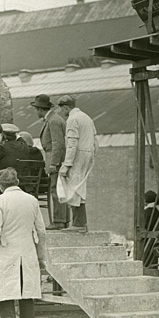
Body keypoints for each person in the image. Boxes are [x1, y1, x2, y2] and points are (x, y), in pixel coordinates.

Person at [0, 167, 46, 318]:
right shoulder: (32, 200)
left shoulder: (0, 201)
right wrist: (41, 254)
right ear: (17, 182)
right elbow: (41, 231)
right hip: (27, 251)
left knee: (5, 292)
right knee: (26, 293)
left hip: (6, 252)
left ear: (0, 185)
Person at [0, 123, 43, 216]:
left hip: (7, 183)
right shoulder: (24, 147)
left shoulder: (2, 148)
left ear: (3, 136)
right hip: (24, 184)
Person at [57, 95, 98, 232]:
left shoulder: (72, 119)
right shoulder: (86, 117)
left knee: (73, 187)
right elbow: (95, 139)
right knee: (80, 187)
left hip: (78, 154)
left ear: (66, 107)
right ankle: (81, 222)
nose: (63, 112)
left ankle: (78, 224)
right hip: (88, 153)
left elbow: (72, 143)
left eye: (63, 109)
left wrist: (67, 164)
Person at [30, 94, 68, 230]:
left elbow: (58, 143)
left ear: (40, 109)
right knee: (58, 189)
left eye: (36, 109)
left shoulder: (53, 121)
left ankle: (59, 221)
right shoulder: (53, 119)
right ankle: (62, 220)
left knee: (56, 189)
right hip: (53, 157)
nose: (35, 112)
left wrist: (53, 163)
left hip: (55, 159)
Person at [143, 190, 159, 268]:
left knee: (146, 258)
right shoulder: (156, 211)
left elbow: (145, 226)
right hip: (153, 239)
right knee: (152, 258)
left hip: (147, 239)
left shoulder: (148, 211)